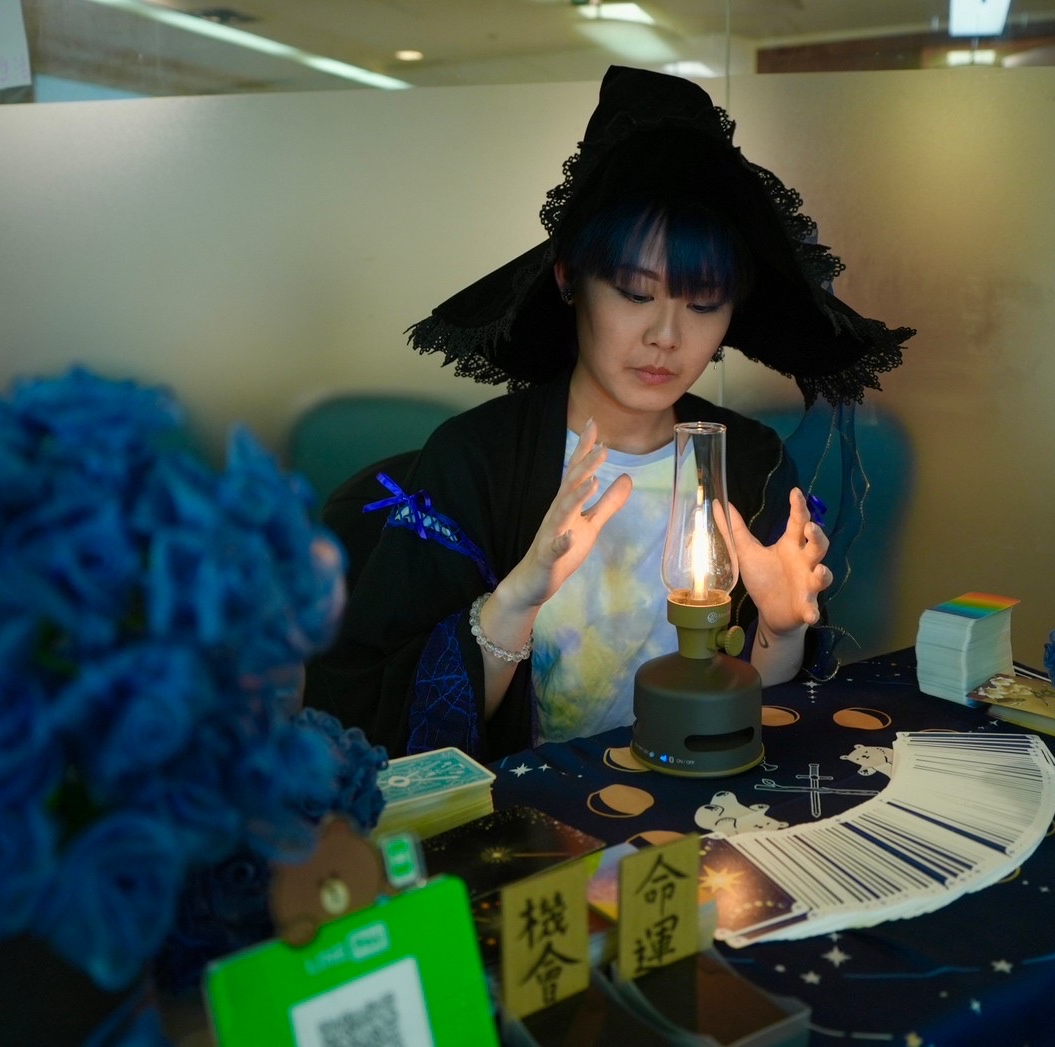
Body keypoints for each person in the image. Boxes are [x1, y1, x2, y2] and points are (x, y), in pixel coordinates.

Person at [306, 66, 912, 760]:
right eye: (633, 293)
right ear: (570, 279)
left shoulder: (749, 462)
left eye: (702, 304)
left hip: (698, 808)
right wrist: (513, 603)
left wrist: (780, 630)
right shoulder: (477, 459)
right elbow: (379, 731)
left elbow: (768, 727)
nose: (666, 335)